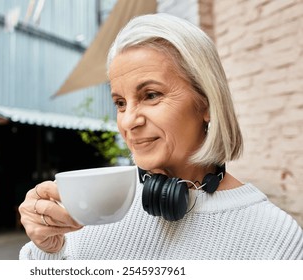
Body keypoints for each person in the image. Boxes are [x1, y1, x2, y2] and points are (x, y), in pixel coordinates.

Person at [18, 13, 303, 260]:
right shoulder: (97, 209)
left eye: (151, 95)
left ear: (206, 103)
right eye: (120, 103)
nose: (129, 120)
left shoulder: (274, 237)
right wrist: (48, 250)